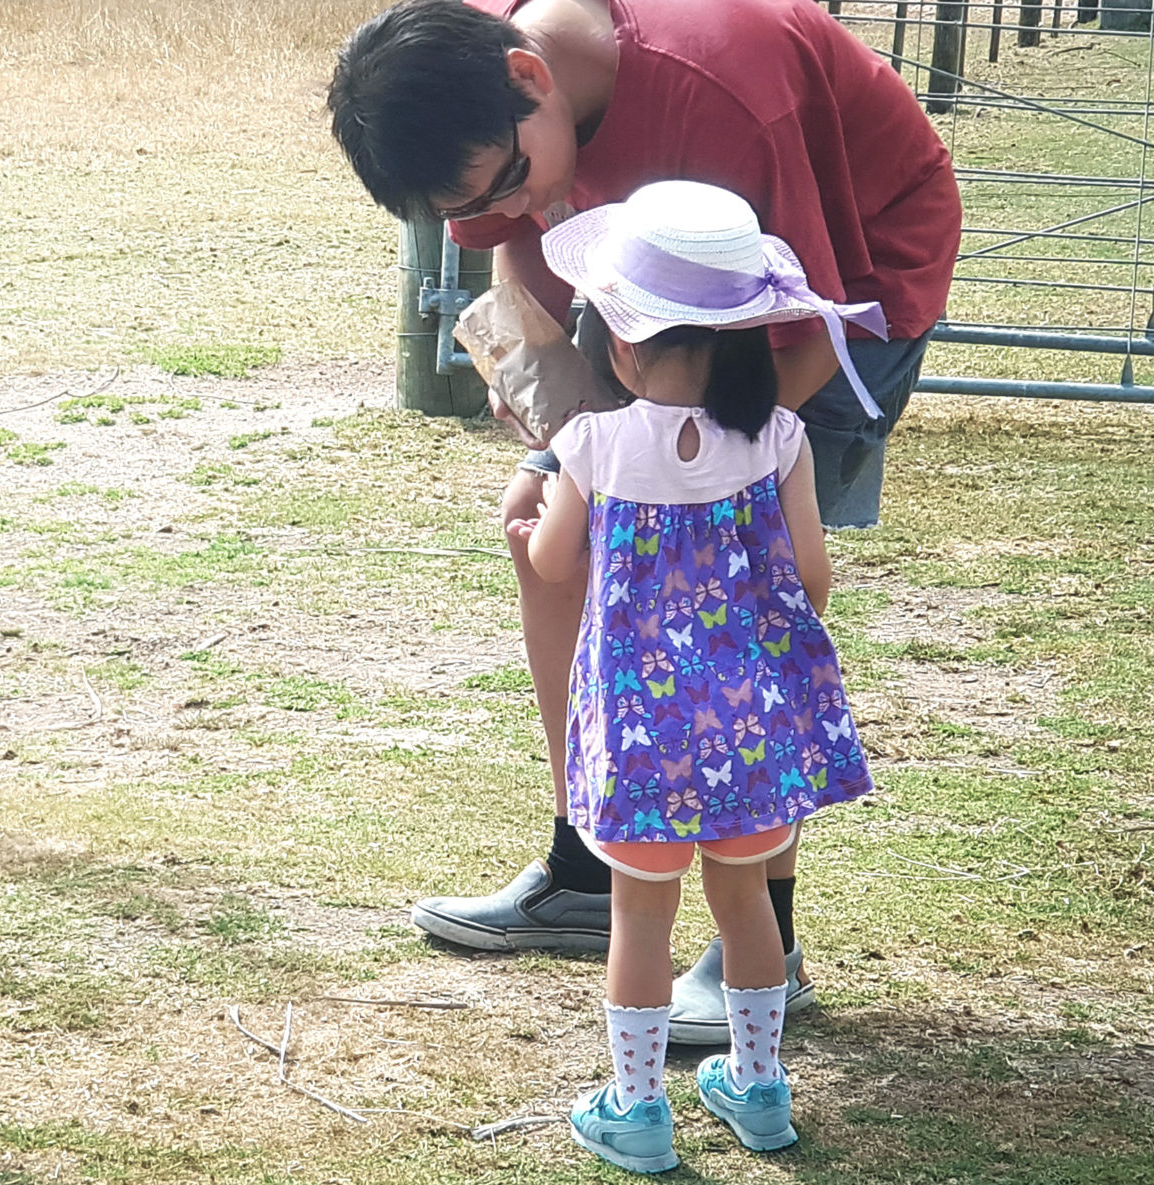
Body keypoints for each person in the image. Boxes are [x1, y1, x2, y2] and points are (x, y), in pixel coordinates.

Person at [324, 0, 956, 1042]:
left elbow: (796, 326)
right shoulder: (475, 75)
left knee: (741, 595)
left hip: (829, 267)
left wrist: (694, 469)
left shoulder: (723, 91)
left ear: (532, 82)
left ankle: (768, 939)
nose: (510, 209)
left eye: (506, 183)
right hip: (643, 265)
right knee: (546, 548)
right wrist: (555, 435)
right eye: (471, 201)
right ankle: (589, 862)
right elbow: (514, 248)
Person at [515, 179, 876, 1172]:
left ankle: (636, 1108)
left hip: (640, 735)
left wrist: (531, 518)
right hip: (750, 727)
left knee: (640, 914)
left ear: (620, 345)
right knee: (746, 900)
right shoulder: (779, 441)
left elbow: (552, 565)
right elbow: (811, 576)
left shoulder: (591, 444)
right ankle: (758, 1088)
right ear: (748, 339)